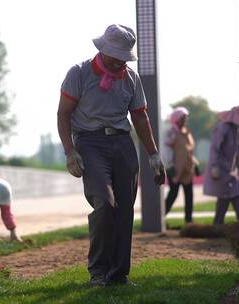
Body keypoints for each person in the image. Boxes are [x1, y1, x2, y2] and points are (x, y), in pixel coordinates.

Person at [57, 24, 165, 287]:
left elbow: (140, 116)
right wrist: (69, 151)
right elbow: (63, 114)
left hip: (122, 144)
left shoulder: (131, 78)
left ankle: (118, 275)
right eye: (115, 55)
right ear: (102, 49)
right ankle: (98, 271)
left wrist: (153, 155)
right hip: (90, 143)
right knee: (105, 203)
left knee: (125, 209)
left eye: (123, 57)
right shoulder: (79, 73)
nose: (119, 62)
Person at [203, 104, 239, 225]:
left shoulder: (236, 131)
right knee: (226, 199)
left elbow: (237, 153)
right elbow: (215, 148)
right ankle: (220, 227)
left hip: (231, 172)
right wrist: (214, 166)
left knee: (235, 196)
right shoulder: (222, 128)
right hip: (220, 170)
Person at [163, 107, 197, 222]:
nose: (185, 120)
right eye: (183, 118)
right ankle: (159, 218)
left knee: (189, 196)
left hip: (187, 169)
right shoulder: (171, 132)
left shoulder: (186, 132)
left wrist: (195, 163)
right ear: (177, 119)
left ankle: (189, 221)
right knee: (173, 194)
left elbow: (188, 151)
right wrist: (169, 167)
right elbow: (166, 151)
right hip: (175, 169)